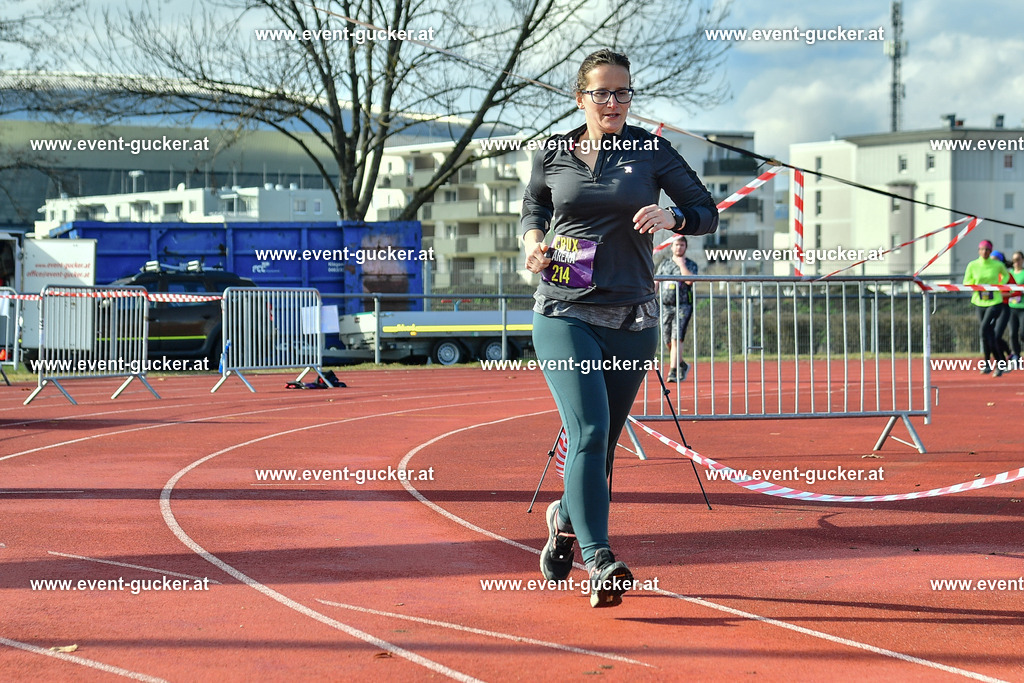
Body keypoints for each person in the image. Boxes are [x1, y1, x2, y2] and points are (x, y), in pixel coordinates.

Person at [521, 48, 718, 607]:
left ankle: (566, 517)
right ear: (579, 98)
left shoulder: (651, 150)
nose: (613, 103)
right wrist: (534, 246)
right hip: (564, 305)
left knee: (602, 442)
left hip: (633, 316)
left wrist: (673, 217)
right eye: (602, 93)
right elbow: (532, 211)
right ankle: (600, 559)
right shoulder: (553, 152)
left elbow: (706, 210)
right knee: (587, 430)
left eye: (623, 92)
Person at [963, 240, 1012, 376]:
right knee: (987, 335)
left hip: (994, 302)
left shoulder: (997, 265)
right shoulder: (972, 265)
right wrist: (977, 286)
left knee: (984, 329)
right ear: (978, 250)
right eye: (982, 249)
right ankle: (993, 363)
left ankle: (998, 363)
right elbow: (966, 281)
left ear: (990, 251)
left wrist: (998, 285)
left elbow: (1006, 276)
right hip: (979, 301)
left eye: (987, 250)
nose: (984, 252)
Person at [657, 235, 698, 382]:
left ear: (685, 247)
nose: (679, 247)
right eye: (676, 245)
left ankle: (673, 371)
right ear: (671, 247)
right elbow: (656, 282)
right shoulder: (664, 264)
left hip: (683, 306)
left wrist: (681, 265)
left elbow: (690, 280)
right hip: (665, 306)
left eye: (682, 245)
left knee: (676, 338)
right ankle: (681, 363)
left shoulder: (691, 264)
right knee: (668, 340)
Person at [1008, 251, 1024, 363]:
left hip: (1023, 307)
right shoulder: (1009, 273)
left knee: (1023, 333)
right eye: (1014, 260)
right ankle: (1016, 356)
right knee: (1012, 333)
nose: (1016, 262)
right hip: (1011, 307)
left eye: (1018, 259)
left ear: (1022, 260)